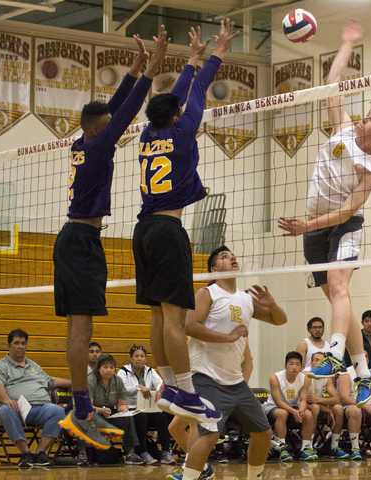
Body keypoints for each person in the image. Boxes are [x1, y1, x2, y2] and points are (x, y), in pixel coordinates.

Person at [55, 28, 170, 449]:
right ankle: (81, 413)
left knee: (79, 328)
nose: (117, 133)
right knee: (80, 332)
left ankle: (82, 412)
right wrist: (154, 66)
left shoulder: (81, 143)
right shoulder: (100, 146)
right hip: (79, 243)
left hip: (77, 240)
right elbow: (128, 109)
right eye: (111, 129)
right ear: (100, 130)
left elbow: (114, 108)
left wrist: (137, 66)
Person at [277, 19, 371, 407]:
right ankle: (363, 373)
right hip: (313, 228)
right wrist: (347, 44)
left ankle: (333, 352)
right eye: (365, 114)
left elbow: (346, 210)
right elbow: (334, 83)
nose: (363, 118)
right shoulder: (343, 128)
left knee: (339, 285)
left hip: (344, 226)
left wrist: (306, 226)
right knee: (337, 301)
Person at [132, 21, 239, 424]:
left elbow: (174, 100)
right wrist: (214, 56)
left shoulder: (148, 134)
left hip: (142, 230)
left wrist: (190, 63)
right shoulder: (183, 131)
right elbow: (194, 95)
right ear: (177, 118)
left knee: (159, 317)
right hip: (167, 230)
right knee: (175, 318)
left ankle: (166, 385)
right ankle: (186, 392)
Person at [181, 245, 287, 480]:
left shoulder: (246, 299)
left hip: (235, 382)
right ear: (213, 269)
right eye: (224, 256)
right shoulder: (207, 293)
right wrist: (228, 337)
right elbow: (190, 326)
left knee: (263, 433)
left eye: (233, 256)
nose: (232, 258)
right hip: (207, 378)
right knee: (208, 435)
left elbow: (280, 320)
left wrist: (271, 304)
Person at [0, 329, 71, 467]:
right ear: (9, 346)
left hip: (39, 408)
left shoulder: (33, 365)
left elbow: (50, 381)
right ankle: (26, 454)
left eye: (23, 343)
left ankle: (40, 454)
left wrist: (74, 383)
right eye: (16, 343)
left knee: (57, 411)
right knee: (7, 409)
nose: (20, 346)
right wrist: (7, 400)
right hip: (12, 408)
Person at [79, 353, 146, 465]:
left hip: (109, 414)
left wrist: (124, 409)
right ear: (98, 368)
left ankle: (130, 454)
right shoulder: (90, 380)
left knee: (128, 418)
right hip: (94, 412)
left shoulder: (118, 381)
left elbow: (121, 404)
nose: (109, 370)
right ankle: (82, 454)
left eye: (112, 367)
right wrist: (101, 410)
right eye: (105, 367)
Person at [117, 345, 175, 465]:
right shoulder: (123, 371)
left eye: (142, 356)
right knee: (141, 418)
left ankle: (165, 451)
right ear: (131, 359)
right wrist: (138, 387)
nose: (139, 359)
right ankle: (143, 452)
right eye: (136, 356)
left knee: (162, 417)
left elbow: (159, 383)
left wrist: (160, 390)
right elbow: (123, 389)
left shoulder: (150, 370)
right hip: (131, 410)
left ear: (146, 359)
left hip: (148, 409)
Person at [264, 352, 316, 462]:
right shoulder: (275, 378)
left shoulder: (305, 378)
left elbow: (303, 400)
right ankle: (281, 449)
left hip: (293, 407)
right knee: (283, 413)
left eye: (297, 364)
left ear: (301, 367)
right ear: (285, 366)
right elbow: (278, 402)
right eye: (291, 364)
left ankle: (305, 448)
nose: (294, 367)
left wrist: (301, 410)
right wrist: (293, 411)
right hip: (273, 407)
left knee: (308, 414)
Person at [304, 352, 348, 459]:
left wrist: (321, 401)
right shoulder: (306, 374)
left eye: (322, 361)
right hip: (304, 407)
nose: (319, 363)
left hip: (319, 406)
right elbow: (310, 401)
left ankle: (334, 446)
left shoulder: (326, 376)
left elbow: (336, 399)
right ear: (311, 363)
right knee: (315, 407)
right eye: (316, 360)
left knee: (338, 408)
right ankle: (309, 447)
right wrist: (328, 409)